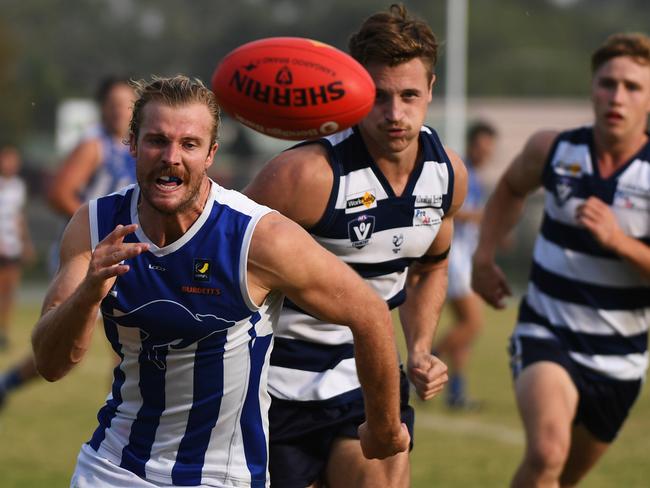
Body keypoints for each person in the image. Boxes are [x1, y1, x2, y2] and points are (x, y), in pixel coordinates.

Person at [31, 75, 409, 488]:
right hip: (112, 468)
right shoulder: (96, 225)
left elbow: (368, 311)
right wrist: (87, 294)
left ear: (210, 154)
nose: (171, 157)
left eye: (189, 144)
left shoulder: (256, 237)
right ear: (133, 144)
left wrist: (385, 427)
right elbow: (51, 364)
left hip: (222, 476)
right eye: (157, 140)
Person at [243, 5, 467, 487]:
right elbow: (224, 259)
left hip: (364, 382)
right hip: (270, 389)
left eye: (409, 95)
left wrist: (422, 347)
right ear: (355, 91)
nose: (394, 114)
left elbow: (430, 267)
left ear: (431, 90)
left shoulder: (447, 175)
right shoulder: (305, 175)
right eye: (379, 97)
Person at [472, 33, 650, 487]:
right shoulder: (553, 149)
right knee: (547, 451)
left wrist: (619, 241)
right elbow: (511, 188)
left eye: (633, 87)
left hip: (620, 360)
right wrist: (484, 254)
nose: (617, 97)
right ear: (592, 87)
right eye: (608, 83)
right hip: (547, 332)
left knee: (561, 477)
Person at [0, 77, 137, 410]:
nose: (120, 110)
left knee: (127, 348)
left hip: (121, 257)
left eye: (127, 103)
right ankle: (8, 383)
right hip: (86, 253)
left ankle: (122, 419)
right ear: (102, 108)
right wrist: (97, 227)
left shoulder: (139, 143)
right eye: (113, 104)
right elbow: (59, 192)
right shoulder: (95, 145)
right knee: (70, 347)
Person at [432, 121, 497, 409]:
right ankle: (428, 359)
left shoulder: (478, 177)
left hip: (466, 257)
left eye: (489, 148)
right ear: (472, 145)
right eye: (481, 146)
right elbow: (448, 211)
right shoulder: (460, 172)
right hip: (454, 258)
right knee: (472, 323)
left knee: (464, 327)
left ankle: (457, 393)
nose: (485, 152)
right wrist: (480, 218)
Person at [0, 146, 34, 350]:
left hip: (12, 247)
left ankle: (3, 331)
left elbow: (19, 217)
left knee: (9, 291)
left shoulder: (19, 186)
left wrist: (25, 242)